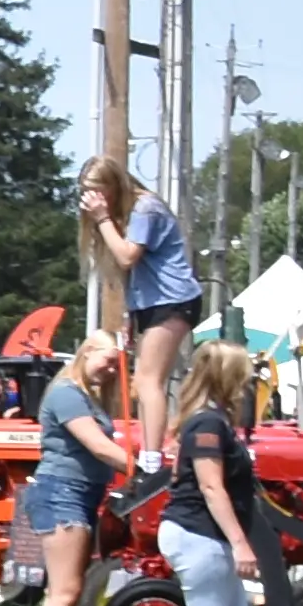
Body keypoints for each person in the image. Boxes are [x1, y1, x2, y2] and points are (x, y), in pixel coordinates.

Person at [146, 339, 282, 606]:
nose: (248, 383)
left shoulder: (213, 420)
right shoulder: (207, 423)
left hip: (204, 535)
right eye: (244, 375)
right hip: (197, 534)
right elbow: (211, 487)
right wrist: (241, 543)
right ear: (227, 377)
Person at [17, 334, 131, 606]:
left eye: (118, 363)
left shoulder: (88, 395)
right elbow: (97, 445)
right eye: (108, 360)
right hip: (61, 493)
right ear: (86, 353)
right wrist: (145, 467)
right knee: (63, 592)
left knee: (71, 589)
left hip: (81, 494)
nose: (113, 368)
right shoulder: (67, 393)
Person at [81, 159, 210, 464]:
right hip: (150, 303)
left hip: (173, 298)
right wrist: (130, 315)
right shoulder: (125, 215)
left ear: (115, 185)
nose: (94, 199)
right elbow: (133, 274)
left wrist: (102, 219)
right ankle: (154, 448)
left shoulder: (145, 208)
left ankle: (152, 457)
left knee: (148, 380)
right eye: (87, 193)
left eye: (98, 191)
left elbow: (127, 257)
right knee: (144, 379)